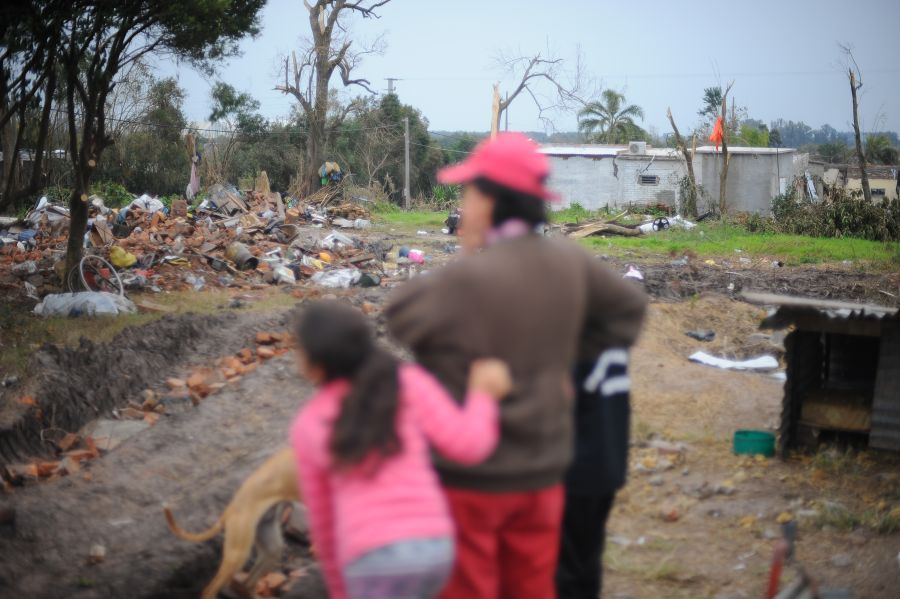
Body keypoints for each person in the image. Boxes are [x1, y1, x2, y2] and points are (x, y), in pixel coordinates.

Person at [386, 133, 647, 599]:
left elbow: (401, 316)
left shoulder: (467, 279)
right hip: (542, 478)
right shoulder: (569, 262)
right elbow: (629, 309)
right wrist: (565, 353)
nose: (463, 207)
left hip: (472, 482)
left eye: (468, 195)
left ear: (489, 200)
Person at [290, 301, 512, 599]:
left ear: (315, 364)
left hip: (370, 559)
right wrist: (482, 395)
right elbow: (469, 445)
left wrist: (340, 589)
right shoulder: (407, 381)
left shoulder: (309, 424)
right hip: (435, 548)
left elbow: (323, 519)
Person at [556, 347, 636, 599]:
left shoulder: (571, 339)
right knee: (585, 562)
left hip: (574, 466)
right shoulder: (610, 334)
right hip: (606, 460)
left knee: (565, 570)